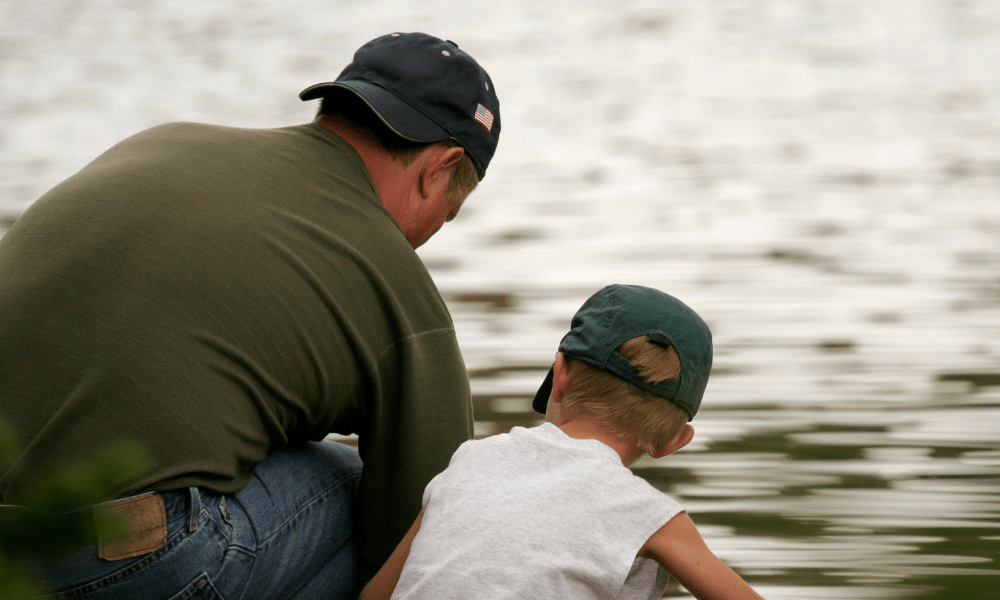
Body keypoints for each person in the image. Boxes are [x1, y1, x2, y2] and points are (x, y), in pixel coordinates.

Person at [0, 31, 500, 599]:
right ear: (441, 168)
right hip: (109, 562)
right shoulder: (390, 275)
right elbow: (430, 532)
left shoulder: (166, 141)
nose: (430, 237)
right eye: (448, 214)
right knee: (371, 491)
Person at [359, 284, 766, 600]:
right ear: (675, 441)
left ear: (561, 374)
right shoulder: (650, 516)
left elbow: (376, 596)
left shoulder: (471, 459)